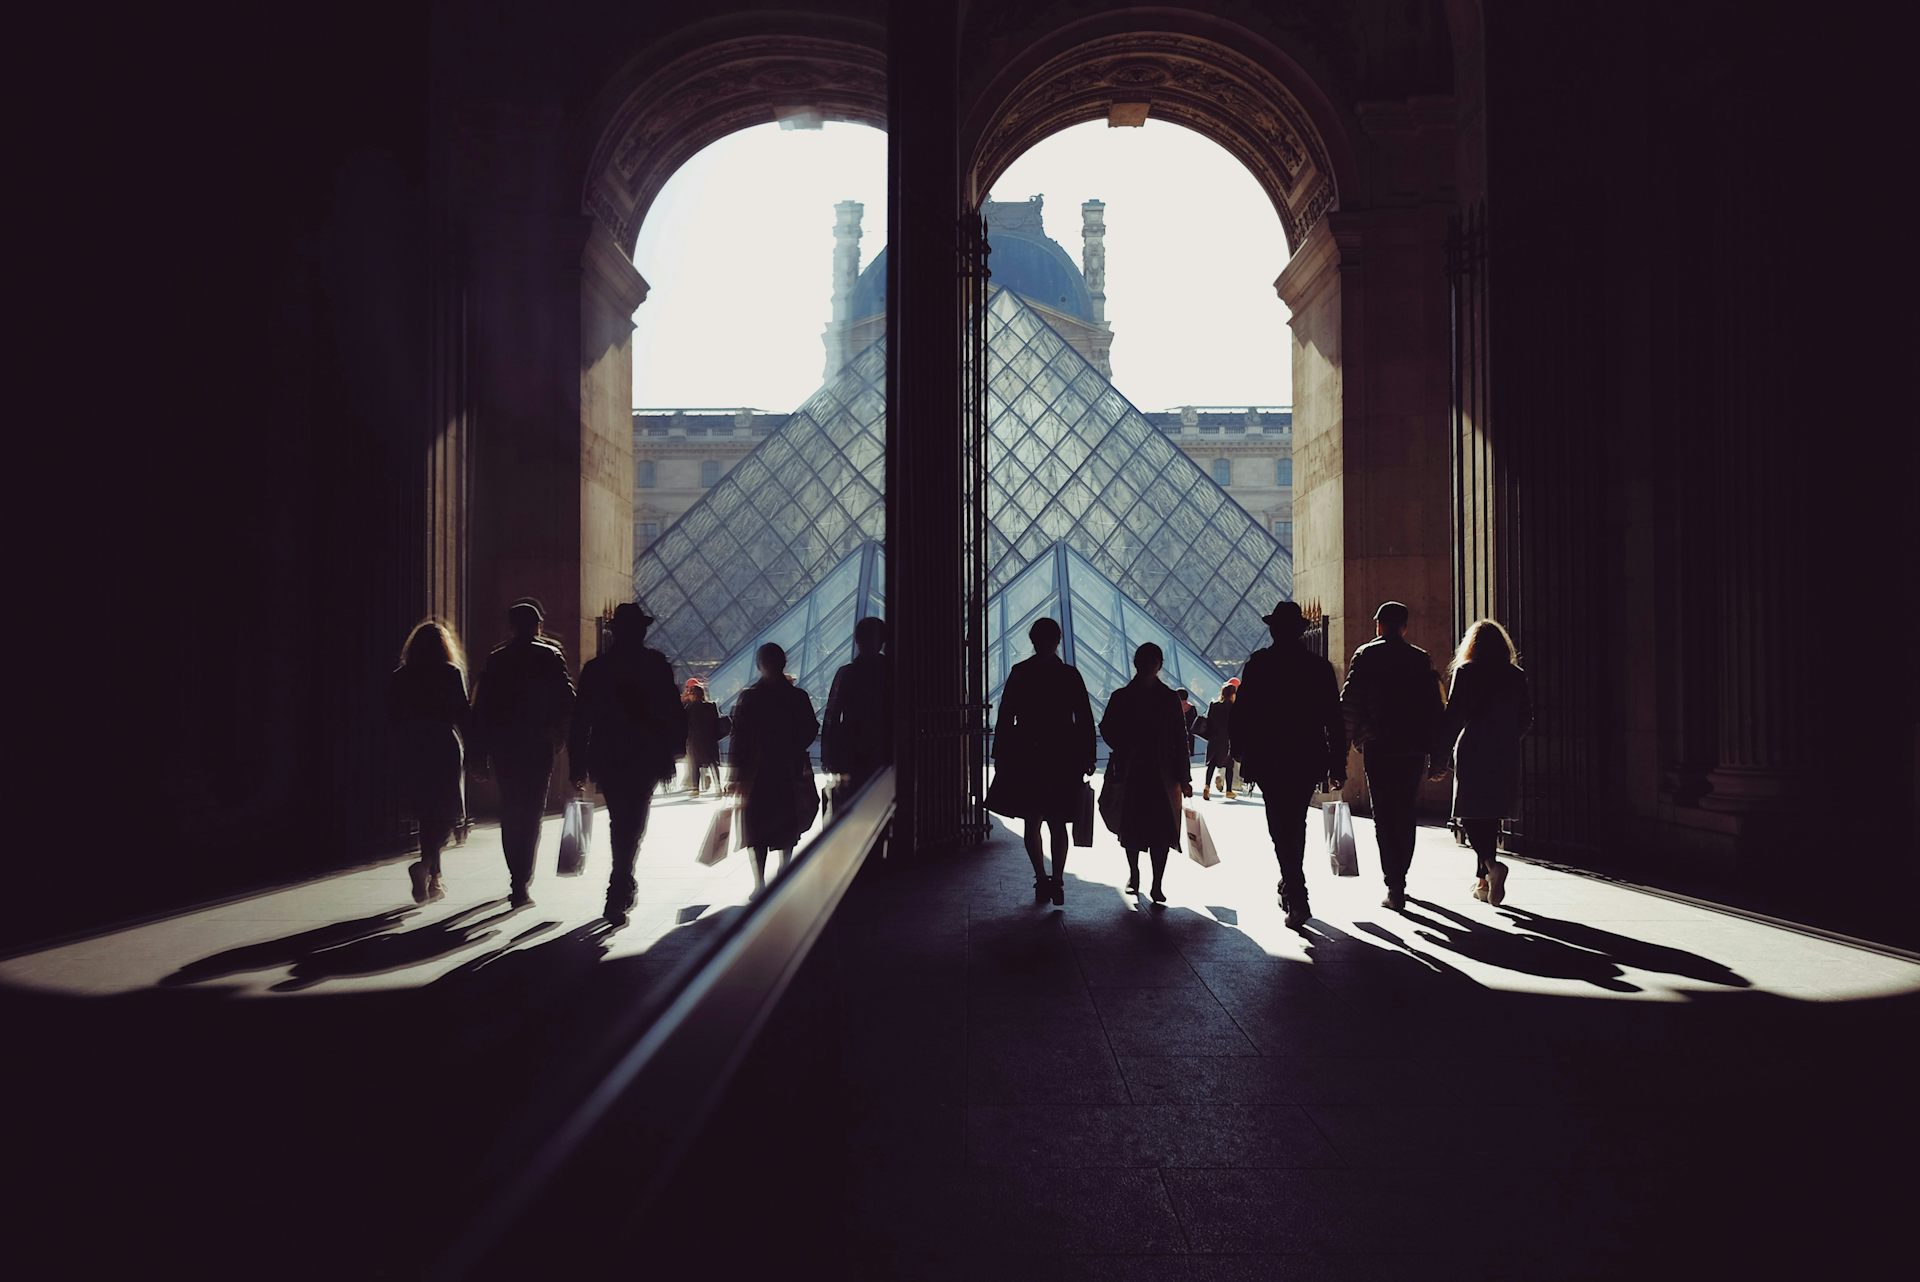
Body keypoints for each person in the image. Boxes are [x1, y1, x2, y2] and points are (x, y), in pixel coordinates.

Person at [1231, 601, 1348, 928]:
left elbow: (1244, 712)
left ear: (1273, 630)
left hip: (1269, 756)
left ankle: (1295, 888)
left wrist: (1239, 749)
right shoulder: (1318, 668)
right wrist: (1338, 763)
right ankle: (1293, 885)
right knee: (1295, 822)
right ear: (1300, 631)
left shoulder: (1259, 665)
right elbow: (1334, 721)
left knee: (1279, 824)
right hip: (1305, 756)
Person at [567, 603, 685, 927]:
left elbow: (580, 721)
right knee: (633, 821)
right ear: (641, 631)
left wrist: (577, 763)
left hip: (609, 755)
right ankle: (620, 883)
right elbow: (673, 712)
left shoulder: (596, 669)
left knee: (621, 820)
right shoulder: (656, 665)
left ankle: (621, 882)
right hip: (645, 756)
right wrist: (674, 751)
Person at [1340, 600, 1446, 911]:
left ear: (1379, 626)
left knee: (1384, 815)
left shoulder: (1366, 655)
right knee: (1405, 812)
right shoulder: (1419, 659)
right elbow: (1435, 710)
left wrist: (1341, 751)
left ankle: (1394, 884)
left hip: (1379, 746)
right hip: (1413, 748)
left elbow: (1350, 705)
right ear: (1404, 627)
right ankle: (1401, 876)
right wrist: (1438, 756)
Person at [471, 597, 576, 908]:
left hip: (505, 745)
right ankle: (521, 880)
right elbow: (567, 699)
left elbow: (483, 709)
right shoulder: (550, 656)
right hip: (537, 743)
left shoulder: (497, 659)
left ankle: (515, 872)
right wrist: (560, 733)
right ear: (538, 625)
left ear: (511, 626)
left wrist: (479, 754)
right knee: (531, 811)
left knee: (511, 808)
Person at [991, 617, 1096, 905]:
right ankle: (1058, 879)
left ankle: (1041, 878)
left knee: (1032, 820)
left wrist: (1000, 752)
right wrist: (1089, 753)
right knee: (1057, 820)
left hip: (1028, 754)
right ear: (1058, 640)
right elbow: (1084, 718)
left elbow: (1005, 715)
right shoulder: (1070, 675)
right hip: (1062, 754)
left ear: (1033, 641)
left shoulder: (1019, 673)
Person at [1439, 619, 1531, 906]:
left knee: (1469, 813)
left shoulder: (1467, 671)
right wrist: (1508, 736)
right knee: (1490, 815)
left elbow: (1454, 714)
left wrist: (1441, 752)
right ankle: (1483, 882)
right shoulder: (1515, 674)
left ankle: (1492, 865)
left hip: (1474, 745)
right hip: (1504, 749)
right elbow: (1526, 717)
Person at [1099, 643, 1191, 905]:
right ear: (1158, 665)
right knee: (1159, 831)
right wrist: (1184, 778)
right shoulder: (1169, 697)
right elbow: (1179, 740)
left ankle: (1137, 876)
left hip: (1134, 771)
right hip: (1161, 773)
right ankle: (1154, 883)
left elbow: (1107, 728)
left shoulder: (1121, 696)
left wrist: (1123, 746)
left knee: (1134, 828)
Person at [387, 620, 470, 905]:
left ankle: (434, 878)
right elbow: (462, 713)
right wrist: (476, 749)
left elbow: (392, 717)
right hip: (442, 744)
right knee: (445, 814)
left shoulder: (401, 676)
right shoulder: (450, 673)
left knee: (426, 814)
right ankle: (425, 867)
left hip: (413, 746)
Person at [728, 643, 820, 899]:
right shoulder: (797, 696)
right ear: (783, 663)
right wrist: (793, 747)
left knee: (756, 830)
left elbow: (739, 737)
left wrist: (735, 774)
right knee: (786, 827)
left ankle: (759, 883)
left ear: (759, 665)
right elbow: (811, 729)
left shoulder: (750, 697)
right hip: (787, 771)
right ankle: (784, 872)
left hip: (756, 774)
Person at [821, 615, 892, 797]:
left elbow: (832, 716)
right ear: (882, 642)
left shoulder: (847, 674)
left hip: (852, 752)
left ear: (857, 641)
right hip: (885, 748)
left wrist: (828, 754)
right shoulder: (893, 673)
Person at [682, 680, 725, 795]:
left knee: (695, 765)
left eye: (691, 693)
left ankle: (695, 789)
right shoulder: (711, 706)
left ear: (694, 695)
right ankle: (718, 787)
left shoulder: (689, 708)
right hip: (710, 740)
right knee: (713, 764)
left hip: (695, 741)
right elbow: (717, 722)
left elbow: (684, 724)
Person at [1201, 681, 1238, 799]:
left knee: (1211, 764)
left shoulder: (1214, 705)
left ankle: (1206, 786)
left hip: (1214, 739)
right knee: (1229, 765)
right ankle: (1228, 791)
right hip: (1227, 740)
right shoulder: (1234, 707)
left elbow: (1208, 721)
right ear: (1232, 694)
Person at [1176, 688, 1199, 785]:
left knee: (1177, 756)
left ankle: (1178, 775)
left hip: (1177, 735)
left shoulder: (1174, 707)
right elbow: (1195, 722)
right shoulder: (1192, 708)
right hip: (1189, 736)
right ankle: (1186, 776)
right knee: (1186, 757)